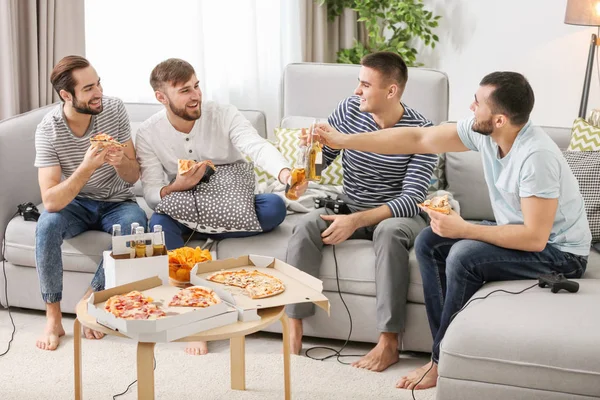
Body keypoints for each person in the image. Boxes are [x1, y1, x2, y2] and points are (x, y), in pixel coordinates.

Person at [315, 71, 591, 389]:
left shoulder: (535, 157)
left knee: (462, 254)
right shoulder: (485, 133)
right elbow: (417, 139)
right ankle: (445, 350)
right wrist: (343, 140)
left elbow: (534, 237)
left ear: (499, 119)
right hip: (523, 234)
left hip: (562, 253)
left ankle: (439, 362)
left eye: (478, 103)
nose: (470, 107)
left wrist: (465, 229)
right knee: (430, 240)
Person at [285, 51, 438, 372]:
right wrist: (308, 153)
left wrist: (356, 221)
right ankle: (294, 324)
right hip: (351, 204)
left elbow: (412, 198)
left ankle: (389, 341)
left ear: (392, 91)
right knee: (306, 226)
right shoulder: (349, 111)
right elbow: (322, 162)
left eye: (365, 85)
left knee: (389, 231)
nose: (357, 91)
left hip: (399, 217)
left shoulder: (423, 131)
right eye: (359, 83)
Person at [135, 58, 296, 355]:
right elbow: (153, 192)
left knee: (274, 207)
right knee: (157, 225)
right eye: (185, 91)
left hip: (232, 197)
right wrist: (178, 186)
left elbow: (255, 146)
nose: (196, 95)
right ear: (161, 97)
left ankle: (203, 239)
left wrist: (285, 173)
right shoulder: (147, 132)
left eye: (196, 86)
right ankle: (194, 316)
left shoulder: (224, 114)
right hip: (186, 200)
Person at [34, 55, 147, 351]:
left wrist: (122, 161)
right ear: (66, 95)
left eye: (98, 83)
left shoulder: (114, 108)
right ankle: (53, 318)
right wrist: (86, 167)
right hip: (75, 203)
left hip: (117, 201)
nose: (98, 93)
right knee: (47, 225)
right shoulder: (49, 129)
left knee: (136, 228)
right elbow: (50, 201)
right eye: (88, 89)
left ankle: (89, 301)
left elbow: (133, 175)